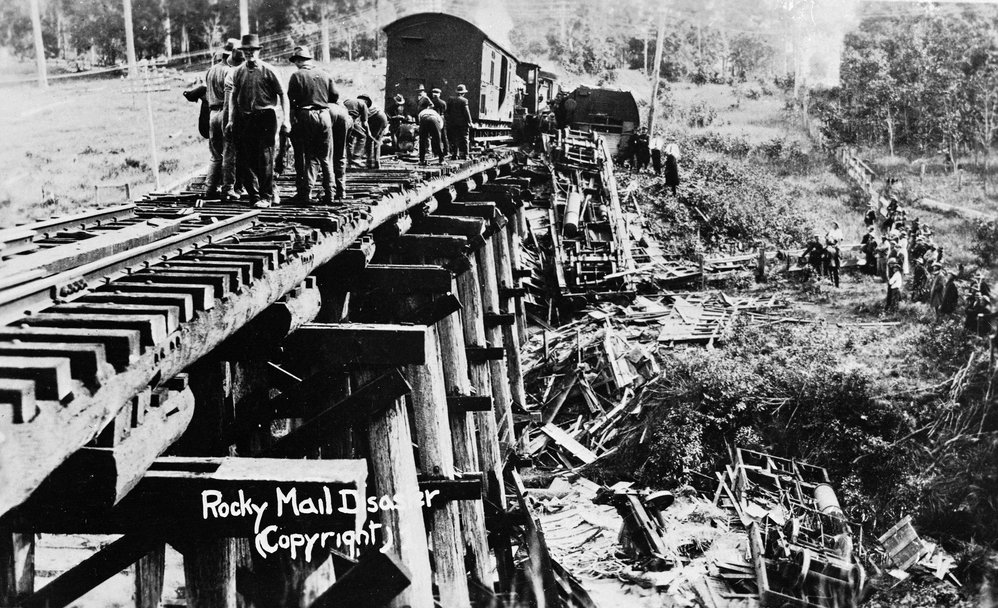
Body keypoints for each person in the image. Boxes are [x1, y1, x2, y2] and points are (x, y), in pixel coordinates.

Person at [227, 33, 289, 208]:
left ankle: (267, 196)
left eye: (252, 50)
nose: (250, 54)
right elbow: (234, 96)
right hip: (245, 117)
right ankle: (255, 196)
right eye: (246, 51)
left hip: (266, 117)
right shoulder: (238, 71)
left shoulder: (269, 70)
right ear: (243, 52)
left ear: (258, 51)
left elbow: (282, 94)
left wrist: (286, 120)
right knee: (246, 158)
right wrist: (231, 120)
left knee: (265, 157)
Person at [286, 45, 337, 205]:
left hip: (306, 116)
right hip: (324, 115)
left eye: (296, 61)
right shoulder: (324, 74)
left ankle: (306, 193)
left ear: (300, 61)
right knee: (326, 157)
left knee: (311, 157)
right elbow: (334, 96)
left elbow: (291, 100)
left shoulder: (297, 76)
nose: (295, 64)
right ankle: (331, 194)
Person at [357, 95, 387, 169]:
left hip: (378, 118)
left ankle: (370, 163)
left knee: (369, 140)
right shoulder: (371, 106)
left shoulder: (364, 107)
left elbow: (363, 123)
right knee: (377, 141)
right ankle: (376, 163)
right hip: (383, 118)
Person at [446, 84, 474, 160]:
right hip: (463, 124)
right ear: (463, 93)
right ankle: (466, 155)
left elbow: (447, 112)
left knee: (455, 139)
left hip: (453, 123)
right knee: (465, 138)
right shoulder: (464, 100)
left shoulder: (451, 100)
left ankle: (455, 155)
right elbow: (467, 112)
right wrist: (470, 122)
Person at [342, 97, 371, 168]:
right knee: (363, 136)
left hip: (341, 119)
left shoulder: (348, 100)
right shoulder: (363, 104)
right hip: (350, 119)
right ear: (366, 101)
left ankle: (348, 162)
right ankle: (356, 159)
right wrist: (368, 132)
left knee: (348, 140)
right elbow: (364, 123)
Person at [417, 97, 445, 165]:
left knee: (422, 141)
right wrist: (437, 132)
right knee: (438, 141)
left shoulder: (421, 112)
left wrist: (426, 134)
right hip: (434, 119)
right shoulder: (434, 112)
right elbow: (441, 123)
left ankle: (421, 160)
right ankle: (441, 160)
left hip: (424, 119)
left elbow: (420, 123)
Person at [430, 88, 449, 159]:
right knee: (444, 135)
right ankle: (446, 151)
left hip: (433, 118)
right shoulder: (443, 103)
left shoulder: (430, 102)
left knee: (433, 135)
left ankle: (435, 152)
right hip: (441, 118)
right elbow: (445, 111)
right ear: (439, 94)